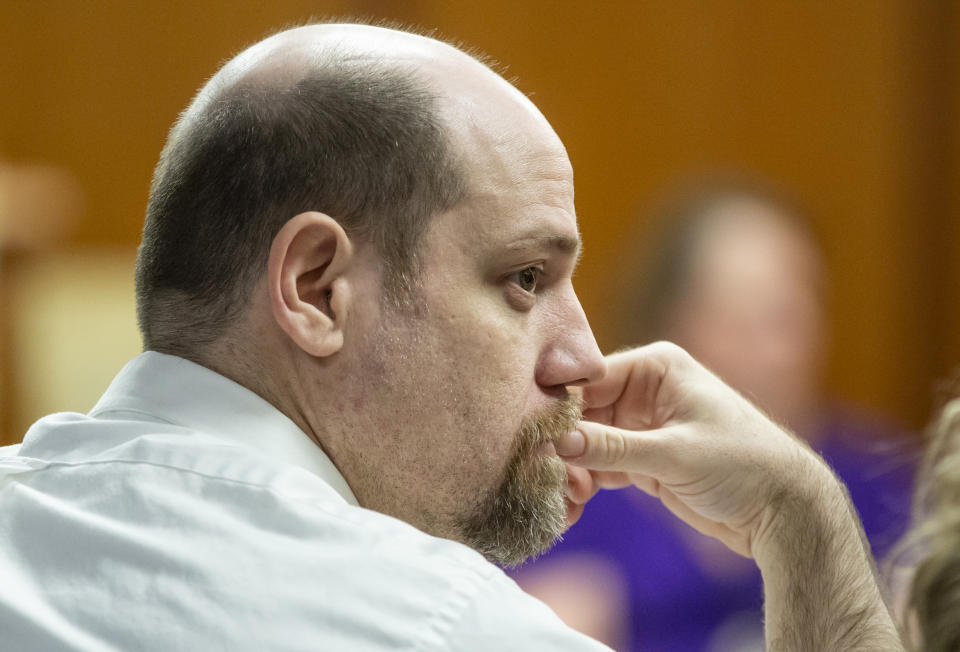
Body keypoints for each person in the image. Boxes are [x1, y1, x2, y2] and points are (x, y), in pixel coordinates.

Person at [0, 23, 902, 650]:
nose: (583, 358)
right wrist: (802, 521)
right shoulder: (448, 629)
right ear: (316, 289)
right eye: (524, 279)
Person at [510, 178, 917, 650]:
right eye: (745, 322)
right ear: (667, 332)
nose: (783, 353)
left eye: (795, 316)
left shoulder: (879, 481)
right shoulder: (572, 498)